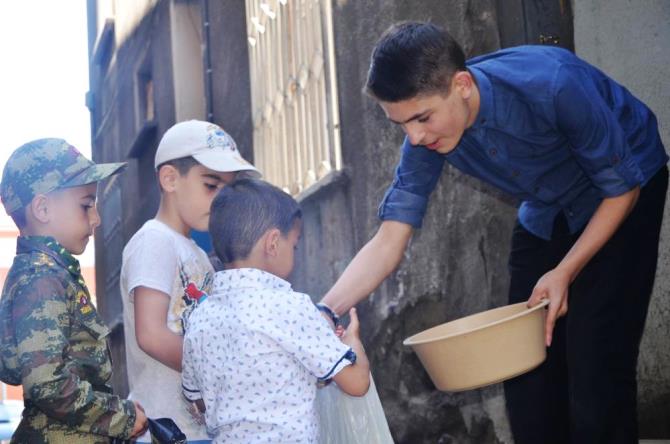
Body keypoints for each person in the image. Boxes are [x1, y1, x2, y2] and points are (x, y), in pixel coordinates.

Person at [318, 22, 668, 444]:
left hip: (623, 191)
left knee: (597, 367)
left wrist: (565, 271)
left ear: (462, 85)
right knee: (524, 374)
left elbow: (621, 188)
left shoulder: (554, 83)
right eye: (402, 125)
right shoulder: (426, 138)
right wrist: (323, 312)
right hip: (546, 207)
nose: (414, 136)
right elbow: (390, 240)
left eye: (422, 117)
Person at [181, 178, 370, 443]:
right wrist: (353, 344)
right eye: (293, 245)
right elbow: (357, 383)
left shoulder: (199, 318)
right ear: (272, 243)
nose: (295, 253)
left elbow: (196, 401)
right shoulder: (291, 307)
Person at [120, 120, 260, 442]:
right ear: (170, 179)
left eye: (229, 189)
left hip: (197, 428)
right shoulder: (154, 241)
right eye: (211, 186)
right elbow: (151, 335)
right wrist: (223, 372)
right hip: (165, 428)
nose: (222, 201)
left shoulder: (194, 251)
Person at [0, 138, 148, 443]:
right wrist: (122, 417)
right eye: (86, 205)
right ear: (42, 208)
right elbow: (48, 383)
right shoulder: (41, 279)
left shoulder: (51, 274)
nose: (96, 219)